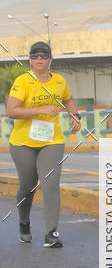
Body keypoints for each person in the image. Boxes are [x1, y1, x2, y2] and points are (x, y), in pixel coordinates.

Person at [6, 41, 80, 247]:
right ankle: (24, 222)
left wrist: (75, 115)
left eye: (43, 56)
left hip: (51, 141)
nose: (39, 60)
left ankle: (51, 234)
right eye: (35, 56)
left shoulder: (58, 81)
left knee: (50, 185)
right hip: (23, 143)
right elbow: (11, 110)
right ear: (30, 60)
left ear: (50, 59)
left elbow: (69, 99)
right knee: (28, 186)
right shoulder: (23, 81)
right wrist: (38, 111)